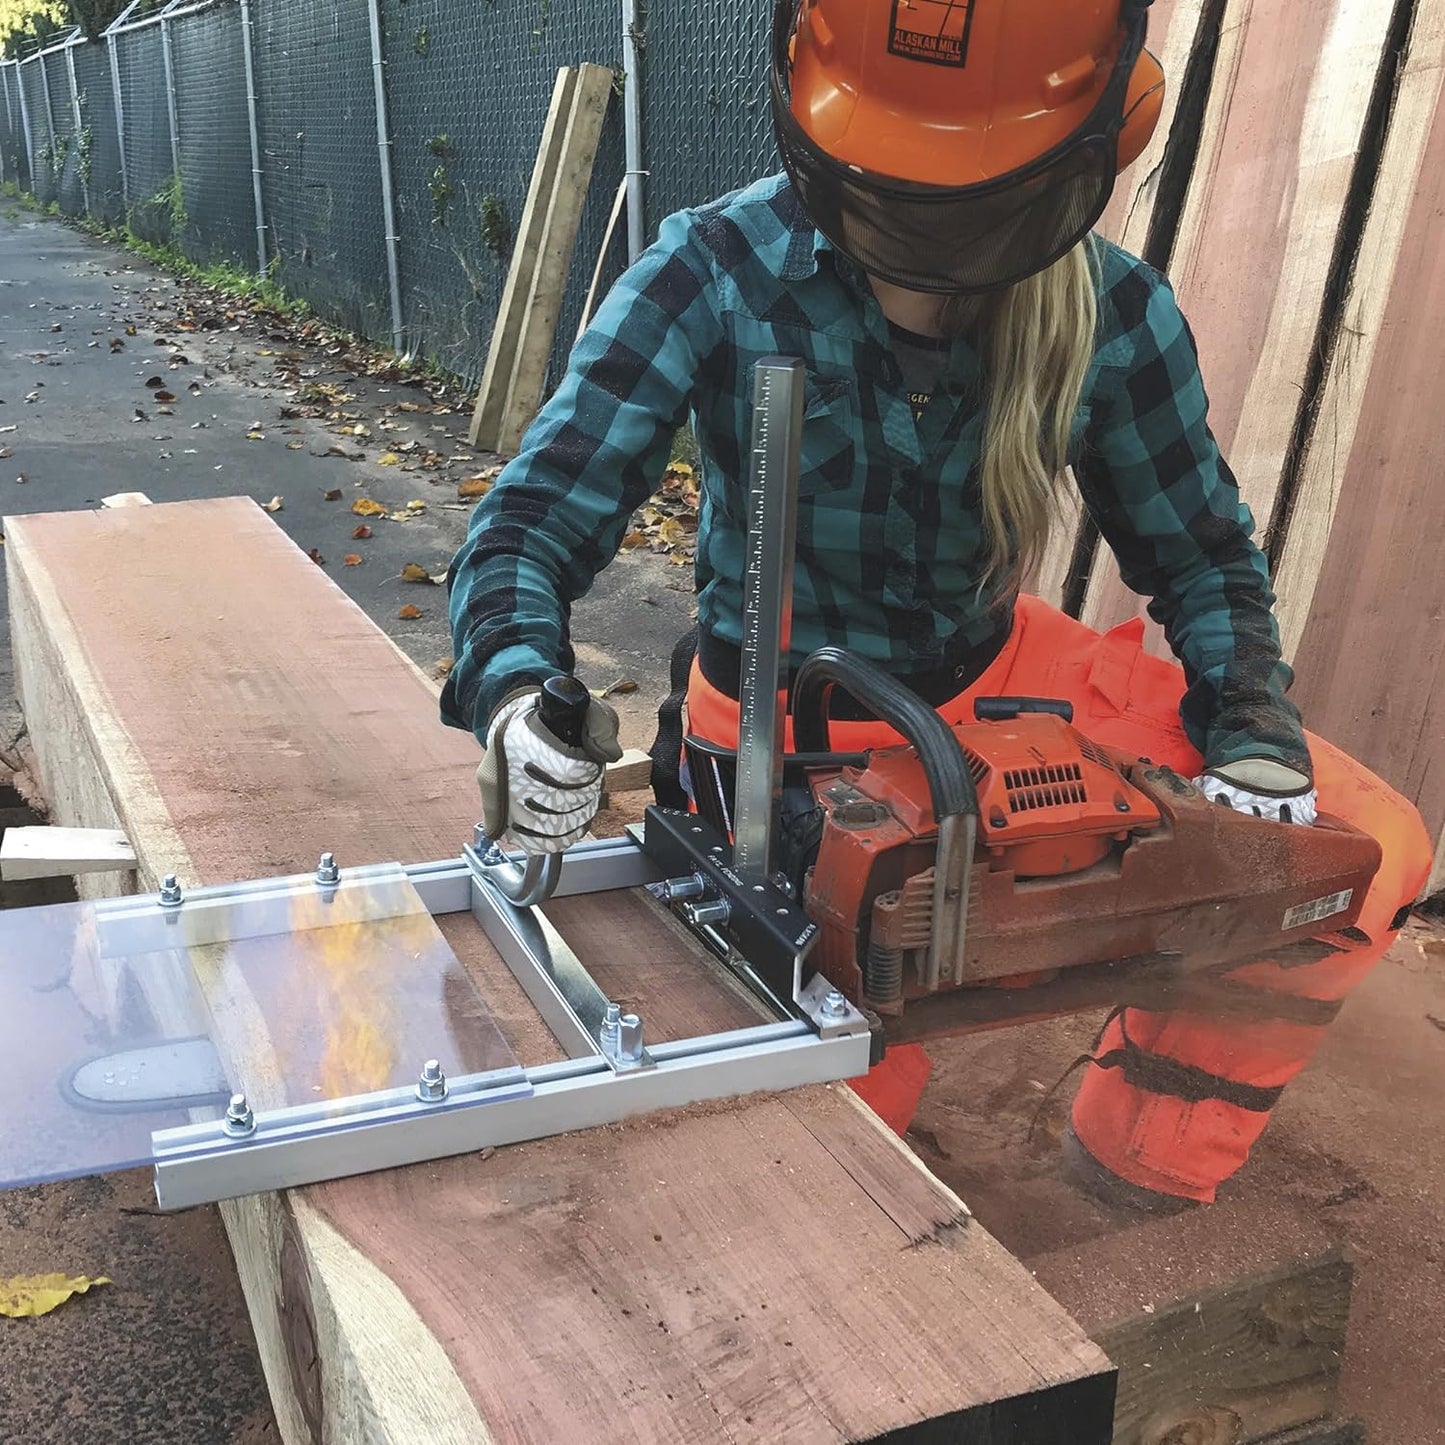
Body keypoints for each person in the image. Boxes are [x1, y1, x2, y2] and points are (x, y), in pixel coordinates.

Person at [443, 0, 1432, 1208]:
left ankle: (1137, 1167)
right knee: (828, 1120)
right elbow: (532, 521)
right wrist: (514, 690)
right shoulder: (714, 270)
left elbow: (1203, 558)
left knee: (1360, 849)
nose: (920, 242)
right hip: (775, 714)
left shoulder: (1111, 311)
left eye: (962, 206)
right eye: (891, 200)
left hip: (995, 672)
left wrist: (1252, 736)